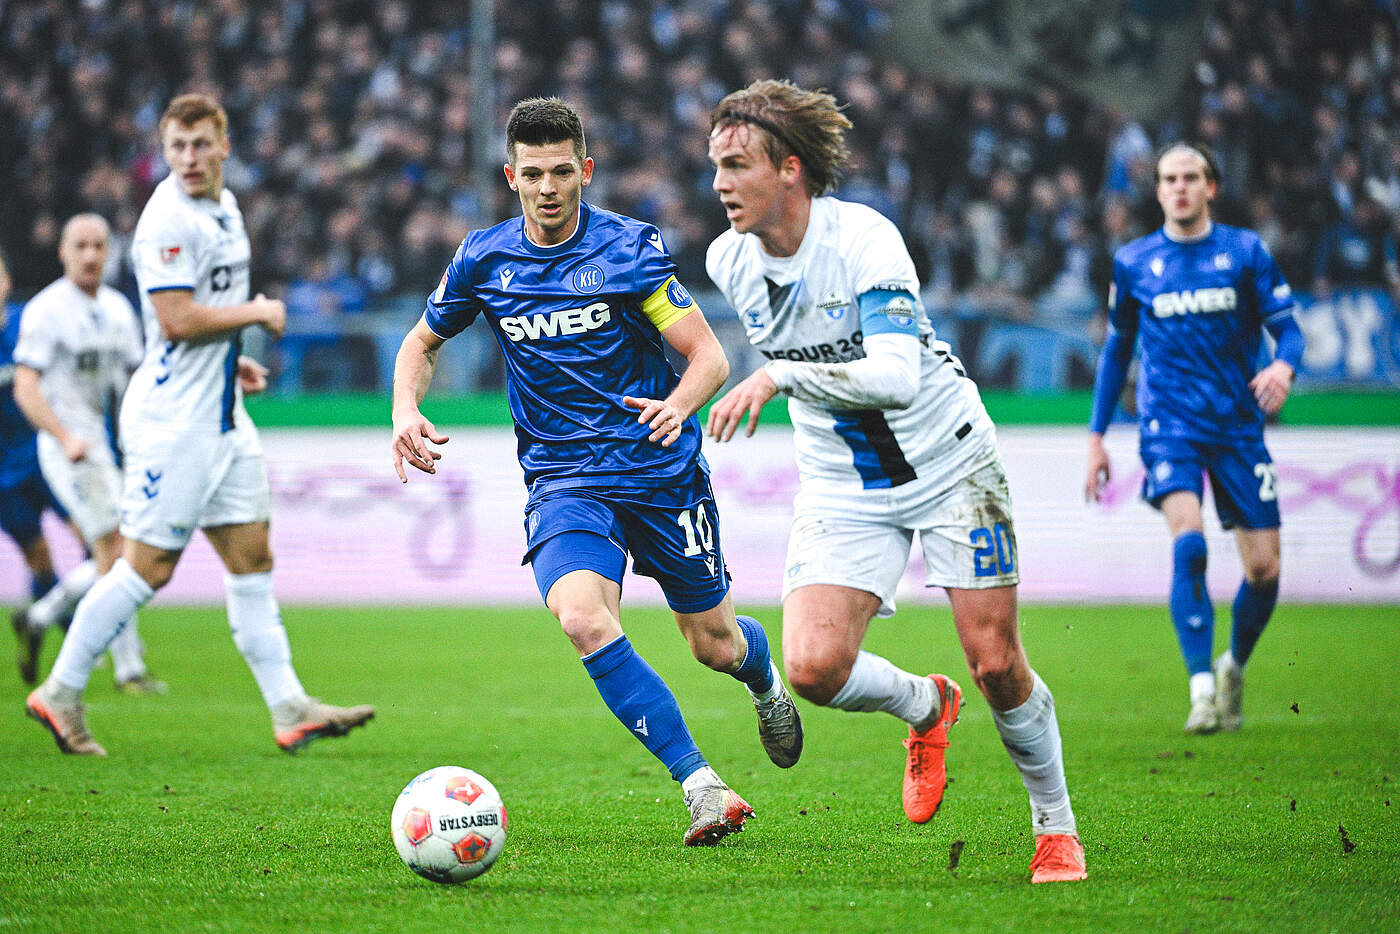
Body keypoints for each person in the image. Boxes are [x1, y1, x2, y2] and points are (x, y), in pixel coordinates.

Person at [391, 97, 802, 847]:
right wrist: (403, 410)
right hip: (565, 480)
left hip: (659, 471)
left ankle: (763, 677)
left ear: (585, 170)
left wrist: (679, 404)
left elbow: (708, 356)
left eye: (560, 172)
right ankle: (702, 786)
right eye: (532, 175)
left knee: (713, 644)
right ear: (510, 177)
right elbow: (421, 342)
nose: (547, 189)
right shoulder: (484, 259)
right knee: (582, 618)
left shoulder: (628, 252)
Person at [704, 80, 1086, 883]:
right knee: (812, 668)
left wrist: (778, 375)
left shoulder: (864, 240)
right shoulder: (727, 259)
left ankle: (1055, 826)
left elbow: (898, 377)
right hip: (842, 482)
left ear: (790, 168)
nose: (720, 184)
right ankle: (925, 706)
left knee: (996, 663)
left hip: (950, 463)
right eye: (716, 166)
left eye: (737, 165)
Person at [24, 94, 374, 756]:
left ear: (224, 146)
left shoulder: (227, 208)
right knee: (146, 568)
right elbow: (177, 318)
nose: (188, 158)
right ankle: (61, 691)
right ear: (165, 151)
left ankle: (289, 707)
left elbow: (197, 319)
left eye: (200, 145)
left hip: (220, 412)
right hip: (173, 422)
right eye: (176, 147)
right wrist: (258, 313)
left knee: (252, 556)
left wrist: (230, 360)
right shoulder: (167, 221)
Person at [1085, 142, 1304, 735]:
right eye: (1169, 179)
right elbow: (1117, 351)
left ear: (1211, 186)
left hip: (1237, 428)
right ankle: (1201, 690)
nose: (1180, 187)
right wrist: (1097, 436)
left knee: (1265, 571)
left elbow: (1289, 330)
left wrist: (1283, 367)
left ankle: (1233, 666)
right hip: (1168, 427)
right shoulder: (1134, 262)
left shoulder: (1245, 252)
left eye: (1191, 177)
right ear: (1157, 190)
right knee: (1190, 544)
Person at [12, 213, 164, 694]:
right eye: (80, 245)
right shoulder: (46, 310)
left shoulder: (118, 309)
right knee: (119, 551)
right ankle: (127, 669)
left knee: (121, 553)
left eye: (99, 245)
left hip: (103, 444)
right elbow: (25, 387)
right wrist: (64, 437)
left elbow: (135, 381)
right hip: (67, 447)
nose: (91, 255)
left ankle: (41, 616)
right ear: (63, 251)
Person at [1, 250, 71, 679]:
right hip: (4, 476)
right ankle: (53, 626)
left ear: (7, 281)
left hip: (48, 454)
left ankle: (63, 626)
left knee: (99, 539)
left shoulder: (29, 323)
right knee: (40, 559)